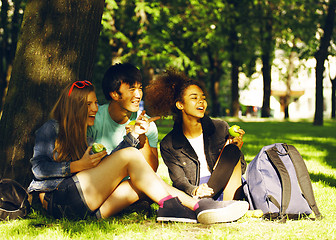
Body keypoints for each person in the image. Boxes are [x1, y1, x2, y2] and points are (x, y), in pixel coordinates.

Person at [27, 80, 249, 224]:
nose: (95, 108)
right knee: (132, 158)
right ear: (75, 106)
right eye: (89, 104)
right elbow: (38, 168)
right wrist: (78, 166)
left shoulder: (87, 137)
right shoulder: (52, 128)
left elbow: (113, 164)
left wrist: (133, 137)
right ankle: (192, 205)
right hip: (60, 200)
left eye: (95, 103)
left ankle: (195, 208)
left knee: (141, 183)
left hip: (88, 209)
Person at [145, 69, 247, 201]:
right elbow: (179, 180)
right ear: (180, 105)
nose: (201, 101)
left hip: (227, 187)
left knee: (231, 150)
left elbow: (242, 169)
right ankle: (210, 205)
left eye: (203, 98)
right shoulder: (169, 144)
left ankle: (219, 205)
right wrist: (195, 190)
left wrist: (236, 149)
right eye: (194, 98)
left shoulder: (221, 128)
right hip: (197, 192)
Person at [88, 63, 158, 171]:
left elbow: (152, 170)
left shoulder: (147, 125)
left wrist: (142, 137)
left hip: (131, 184)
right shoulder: (93, 119)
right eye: (131, 89)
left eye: (140, 88)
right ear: (115, 94)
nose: (138, 95)